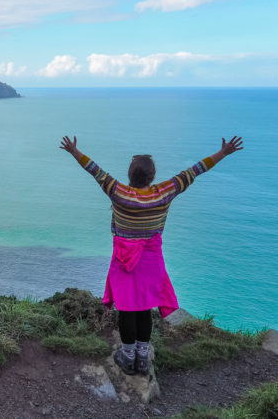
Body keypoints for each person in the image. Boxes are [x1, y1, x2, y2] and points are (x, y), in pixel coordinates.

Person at [59, 135, 244, 376]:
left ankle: (127, 357)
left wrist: (74, 151)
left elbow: (95, 170)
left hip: (124, 260)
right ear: (152, 176)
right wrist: (223, 153)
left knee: (126, 308)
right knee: (145, 307)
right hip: (151, 260)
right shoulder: (165, 192)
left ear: (130, 174)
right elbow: (195, 170)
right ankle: (142, 358)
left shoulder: (118, 192)